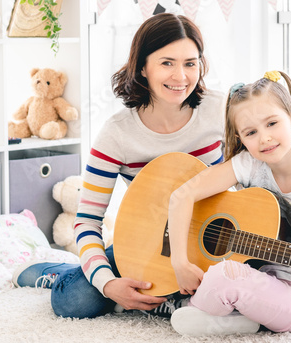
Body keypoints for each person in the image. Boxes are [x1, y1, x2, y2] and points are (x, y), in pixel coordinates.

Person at [12, 13, 227, 321]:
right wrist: (108, 284)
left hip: (212, 237)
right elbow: (87, 221)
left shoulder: (220, 110)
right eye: (167, 63)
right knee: (76, 302)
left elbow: (253, 174)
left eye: (190, 63)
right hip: (149, 246)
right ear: (142, 66)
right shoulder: (117, 135)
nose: (181, 76)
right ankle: (54, 272)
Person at [167, 71, 291, 336]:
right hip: (259, 277)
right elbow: (182, 195)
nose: (264, 138)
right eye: (251, 132)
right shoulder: (249, 164)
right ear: (240, 139)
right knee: (222, 273)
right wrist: (179, 263)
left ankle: (196, 309)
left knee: (223, 276)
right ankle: (231, 315)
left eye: (272, 123)